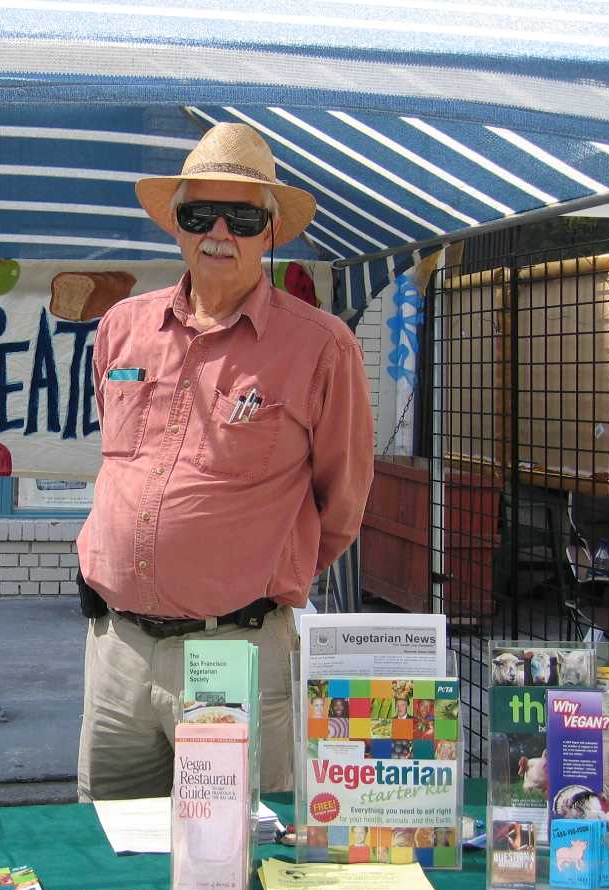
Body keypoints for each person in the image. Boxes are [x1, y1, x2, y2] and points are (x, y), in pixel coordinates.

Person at [74, 123, 375, 800]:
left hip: (234, 651)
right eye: (199, 214)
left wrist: (251, 575)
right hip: (117, 651)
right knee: (109, 842)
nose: (218, 232)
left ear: (270, 232)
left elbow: (343, 503)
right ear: (175, 225)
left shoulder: (322, 347)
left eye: (241, 218)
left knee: (238, 845)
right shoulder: (122, 327)